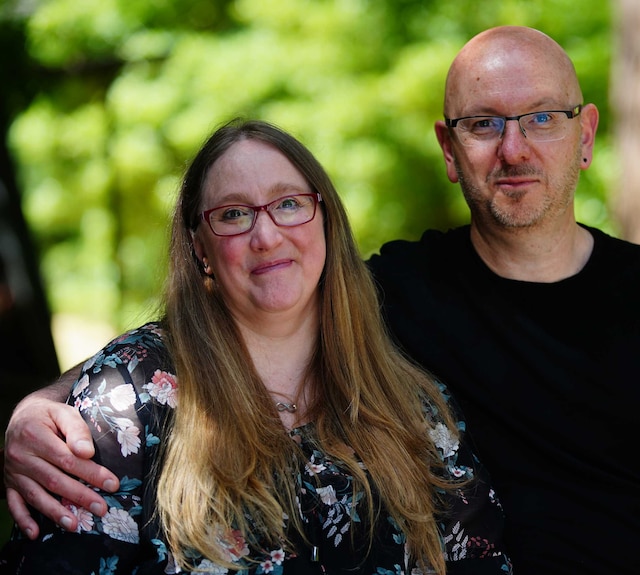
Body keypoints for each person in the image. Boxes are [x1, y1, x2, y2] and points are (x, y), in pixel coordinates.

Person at [3, 25, 640, 574]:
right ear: (449, 150)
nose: (513, 149)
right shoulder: (397, 292)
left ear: (584, 135)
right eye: (484, 124)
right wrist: (38, 405)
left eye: (541, 119)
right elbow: (230, 315)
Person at [0, 119, 511, 574]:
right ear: (200, 247)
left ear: (326, 221)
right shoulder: (131, 400)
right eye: (233, 214)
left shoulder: (413, 408)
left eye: (289, 203)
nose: (265, 236)